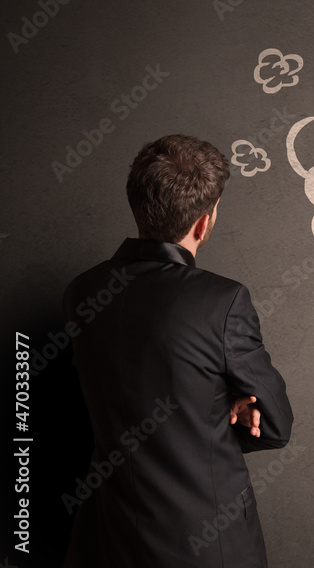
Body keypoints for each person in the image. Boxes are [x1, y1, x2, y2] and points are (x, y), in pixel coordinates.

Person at [62, 134, 293, 567]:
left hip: (106, 537)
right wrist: (223, 408)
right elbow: (276, 427)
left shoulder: (81, 291)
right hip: (208, 543)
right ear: (204, 222)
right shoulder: (222, 301)